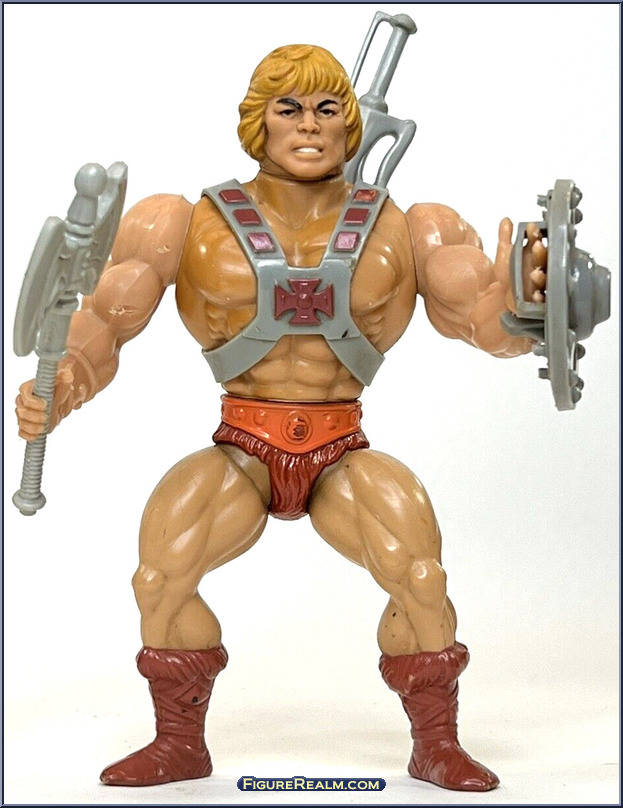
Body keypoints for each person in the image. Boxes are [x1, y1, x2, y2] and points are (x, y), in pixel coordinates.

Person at [15, 43, 544, 791]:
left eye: (327, 109)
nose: (309, 125)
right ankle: (179, 744)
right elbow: (101, 320)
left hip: (341, 447)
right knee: (160, 575)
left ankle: (436, 745)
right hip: (242, 445)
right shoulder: (184, 222)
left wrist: (526, 305)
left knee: (421, 577)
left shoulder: (408, 227)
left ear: (351, 124)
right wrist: (62, 383)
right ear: (256, 123)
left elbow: (484, 321)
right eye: (288, 108)